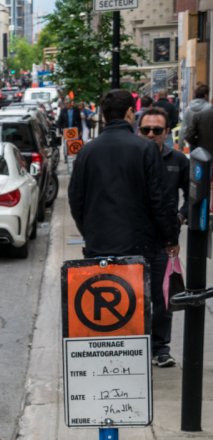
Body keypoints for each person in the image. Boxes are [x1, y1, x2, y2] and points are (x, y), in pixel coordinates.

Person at [69, 90, 180, 372]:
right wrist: (170, 237)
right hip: (140, 244)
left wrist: (89, 230)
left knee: (107, 305)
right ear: (131, 113)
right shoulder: (144, 149)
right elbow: (161, 199)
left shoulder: (86, 151)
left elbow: (75, 199)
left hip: (99, 243)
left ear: (104, 115)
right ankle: (137, 363)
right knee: (140, 301)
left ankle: (110, 361)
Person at [138, 106, 188, 367]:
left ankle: (160, 348)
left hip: (163, 242)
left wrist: (180, 218)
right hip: (132, 240)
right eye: (145, 129)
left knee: (162, 297)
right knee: (134, 297)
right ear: (138, 130)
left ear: (167, 132)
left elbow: (194, 195)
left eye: (157, 130)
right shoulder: (130, 157)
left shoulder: (178, 161)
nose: (150, 134)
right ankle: (136, 348)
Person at [181, 83, 211, 150]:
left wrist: (180, 144)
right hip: (207, 143)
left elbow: (184, 128)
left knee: (194, 159)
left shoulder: (188, 109)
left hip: (192, 142)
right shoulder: (209, 108)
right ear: (206, 95)